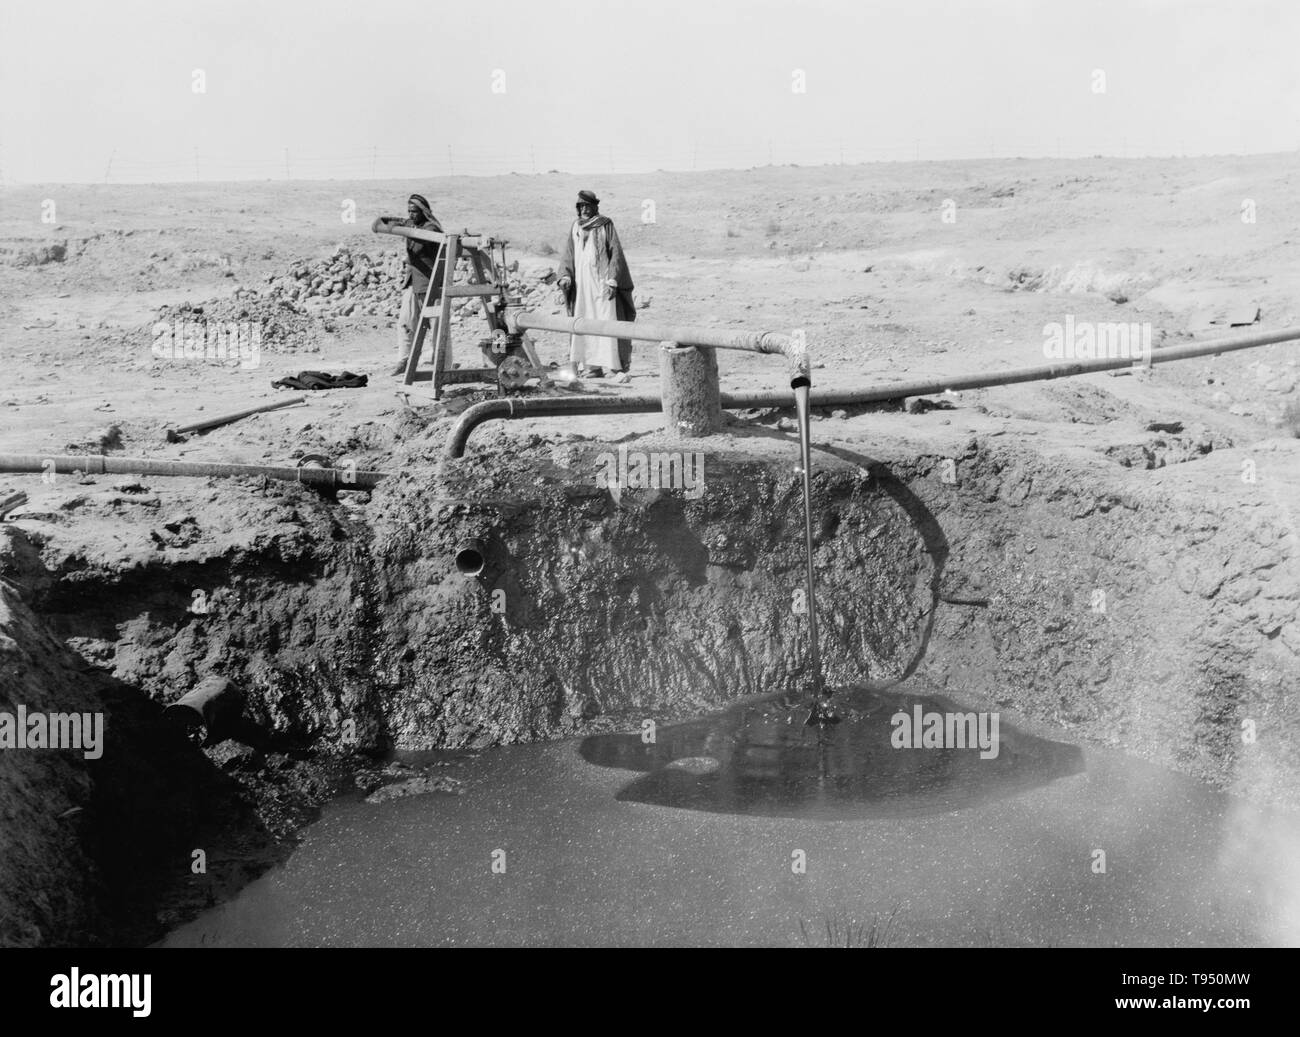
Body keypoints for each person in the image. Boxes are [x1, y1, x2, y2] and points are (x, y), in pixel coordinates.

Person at [557, 190, 636, 381]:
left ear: (594, 207)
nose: (584, 209)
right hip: (582, 286)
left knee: (606, 322)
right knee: (583, 322)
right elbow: (568, 254)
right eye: (581, 206)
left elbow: (615, 253)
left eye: (587, 206)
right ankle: (591, 367)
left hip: (602, 283)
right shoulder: (576, 226)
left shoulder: (605, 224)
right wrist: (565, 276)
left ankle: (612, 367)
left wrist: (612, 279)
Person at [390, 193, 446, 371]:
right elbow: (392, 222)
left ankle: (444, 363)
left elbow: (422, 236)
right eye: (408, 211)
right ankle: (404, 360)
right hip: (412, 283)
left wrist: (407, 229)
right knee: (405, 322)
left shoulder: (432, 228)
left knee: (437, 326)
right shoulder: (411, 223)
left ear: (423, 211)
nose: (411, 214)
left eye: (414, 211)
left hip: (430, 283)